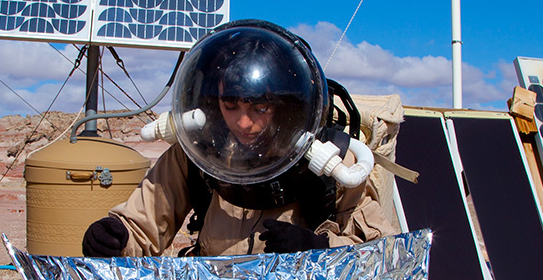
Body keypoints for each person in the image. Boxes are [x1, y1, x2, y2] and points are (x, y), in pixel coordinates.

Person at [81, 20, 395, 257]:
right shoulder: (198, 153)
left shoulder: (334, 162)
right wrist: (116, 237)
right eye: (230, 106)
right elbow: (144, 223)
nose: (243, 123)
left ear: (284, 105)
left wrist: (317, 248)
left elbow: (380, 255)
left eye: (260, 107)